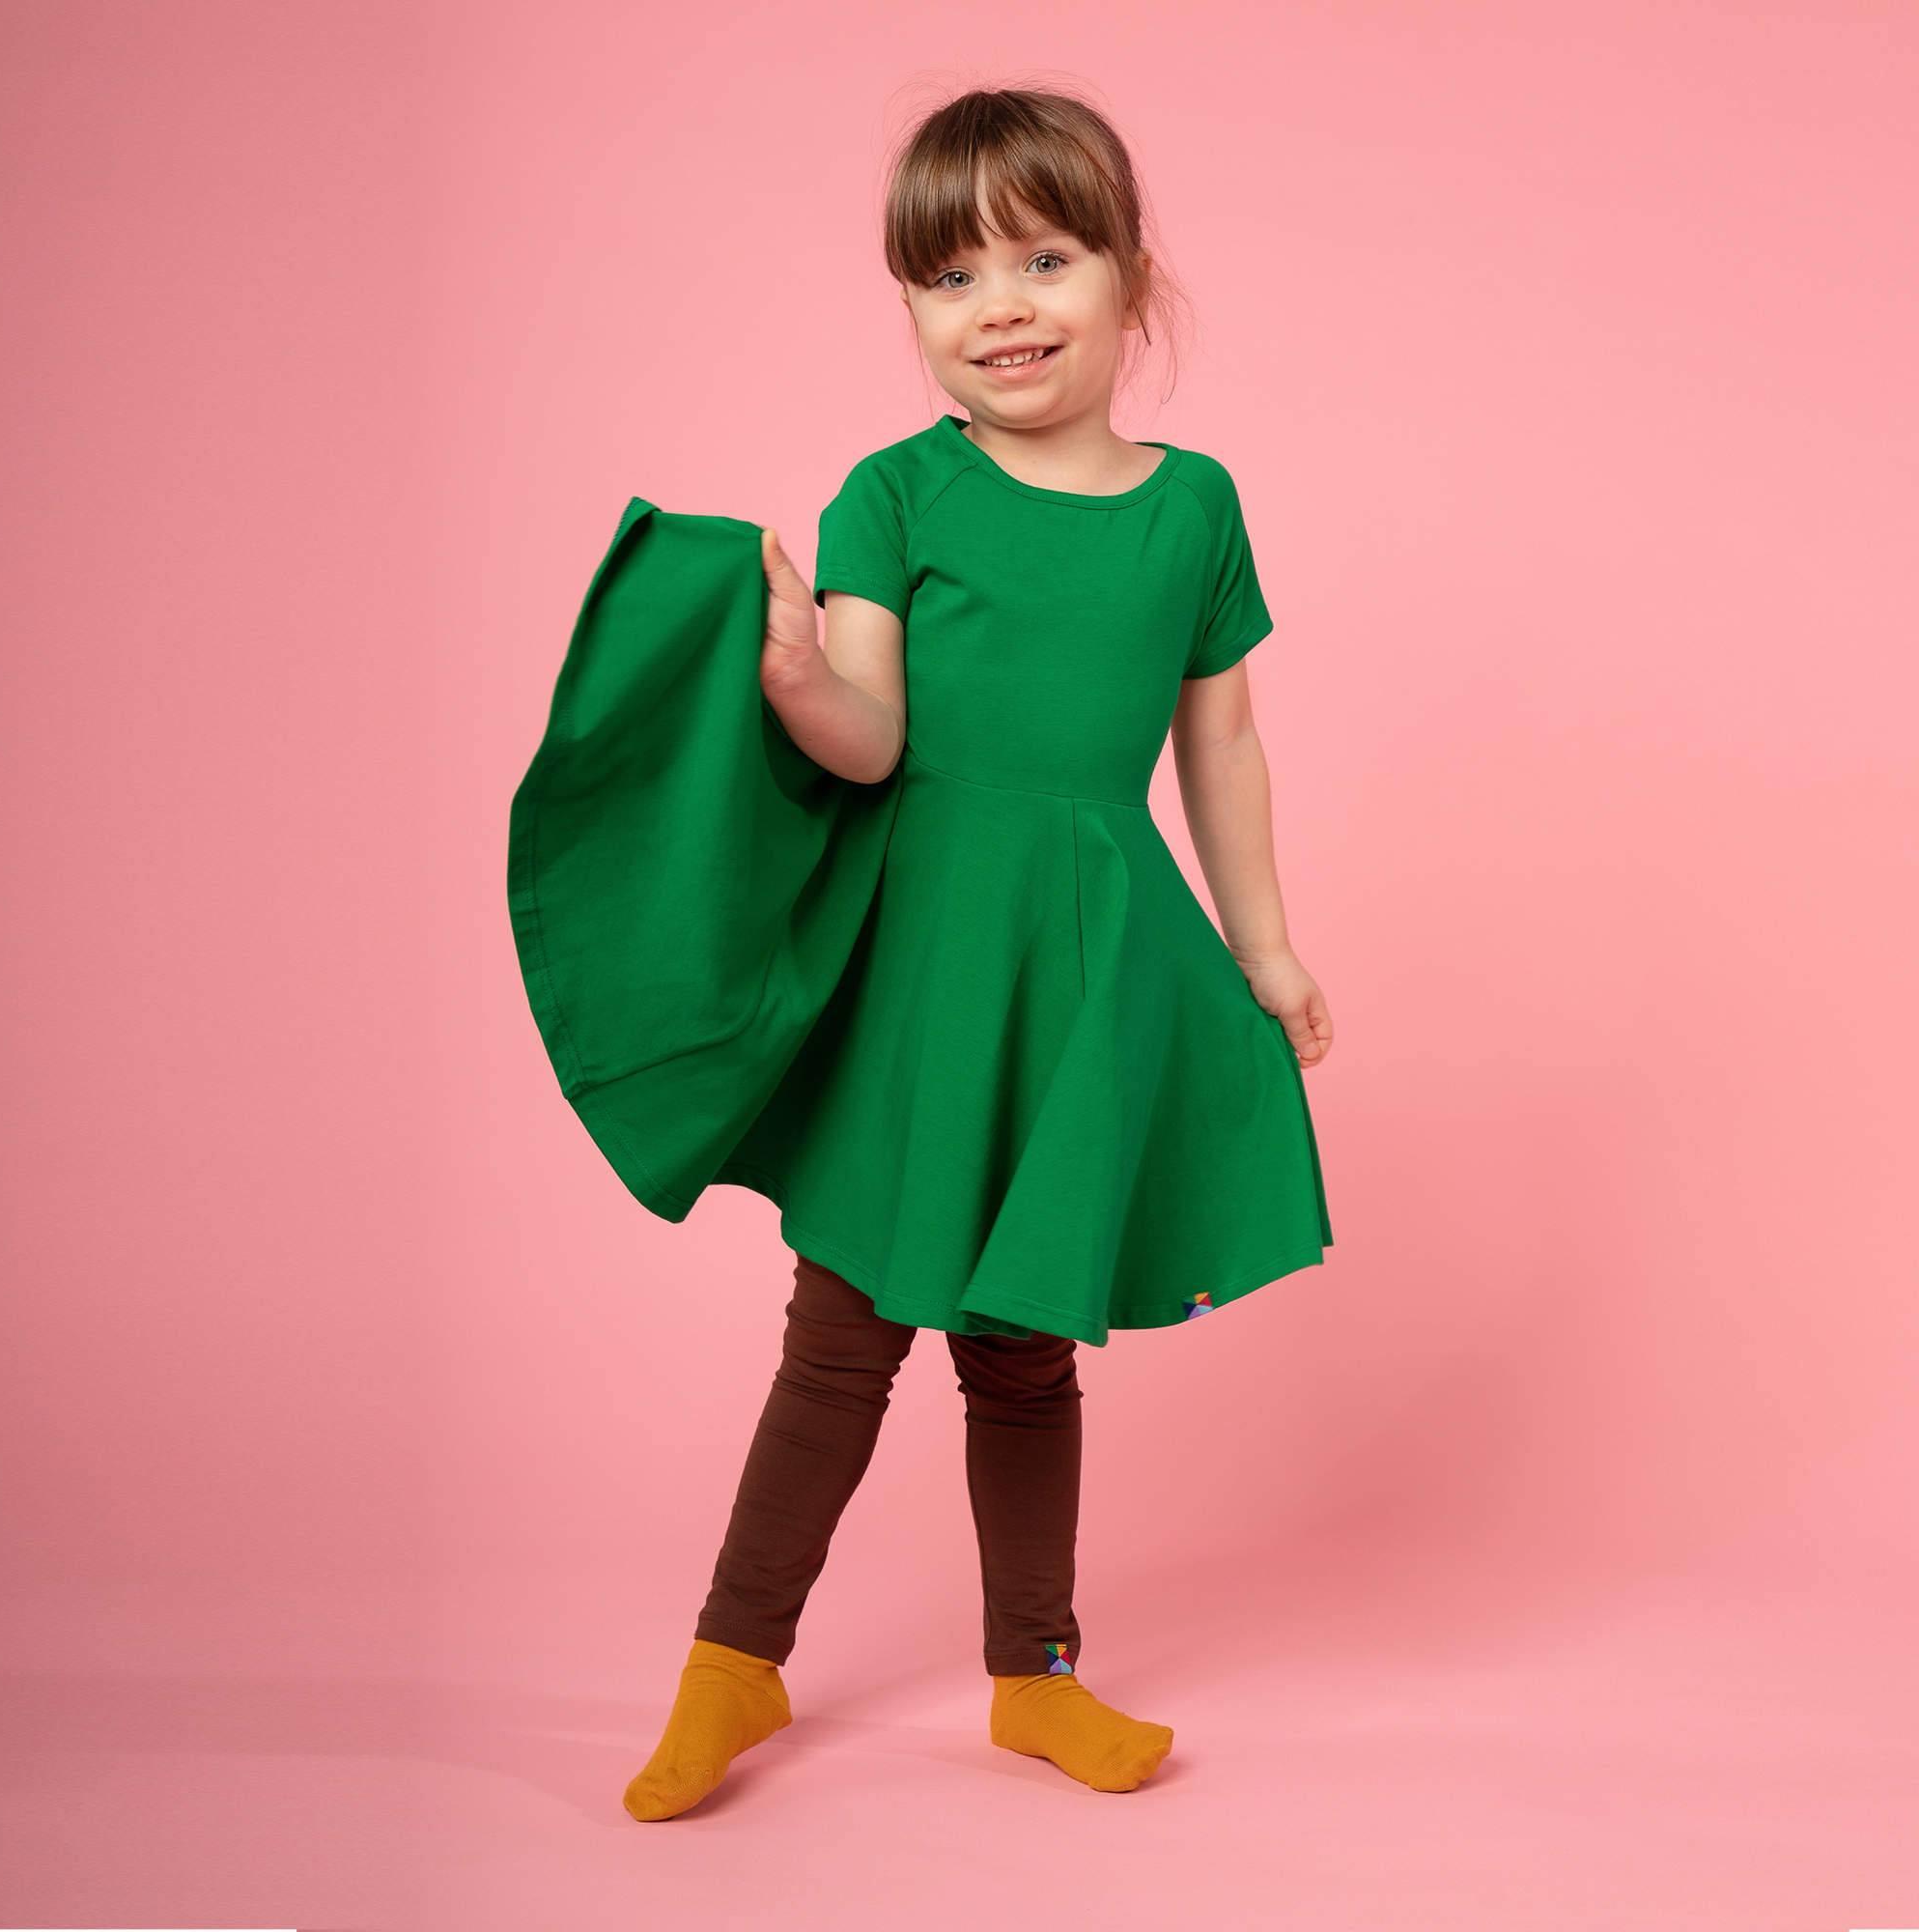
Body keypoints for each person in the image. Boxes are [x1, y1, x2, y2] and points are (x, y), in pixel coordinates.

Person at [507, 86, 1334, 1821]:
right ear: (911, 314)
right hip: (932, 968)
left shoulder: (1197, 510)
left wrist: (1265, 952)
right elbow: (872, 736)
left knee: (1026, 1347)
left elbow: (1223, 749)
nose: (1004, 307)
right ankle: (733, 1666)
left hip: (1084, 965)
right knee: (846, 1331)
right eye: (951, 280)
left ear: (1129, 278)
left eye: (1045, 258)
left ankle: (1036, 1678)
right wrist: (798, 673)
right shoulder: (898, 492)